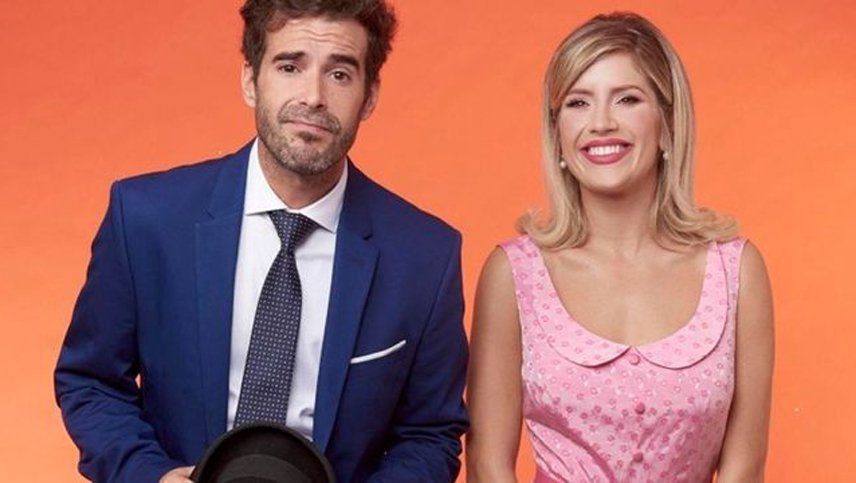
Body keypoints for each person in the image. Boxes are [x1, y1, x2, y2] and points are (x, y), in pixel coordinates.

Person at [54, 1, 468, 482]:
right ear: (250, 79)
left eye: (339, 75)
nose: (313, 97)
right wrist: (150, 475)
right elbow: (91, 382)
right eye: (290, 67)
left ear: (370, 96)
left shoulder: (425, 257)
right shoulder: (146, 218)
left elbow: (430, 434)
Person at [466, 12, 774, 483]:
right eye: (578, 103)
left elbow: (744, 466)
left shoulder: (736, 272)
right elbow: (487, 463)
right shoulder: (514, 273)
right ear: (557, 134)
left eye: (627, 99)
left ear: (667, 124)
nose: (601, 123)